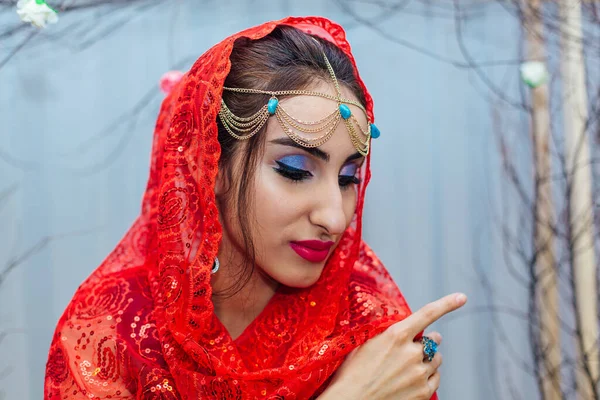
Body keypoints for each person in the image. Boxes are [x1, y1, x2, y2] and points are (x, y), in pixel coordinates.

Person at [44, 16, 466, 399]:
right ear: (210, 166)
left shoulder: (365, 323)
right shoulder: (113, 331)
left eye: (348, 179)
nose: (335, 217)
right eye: (295, 170)